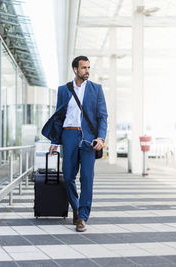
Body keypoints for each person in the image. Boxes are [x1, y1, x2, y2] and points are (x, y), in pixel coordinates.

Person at [41, 56, 108, 232]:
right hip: (68, 134)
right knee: (68, 176)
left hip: (88, 139)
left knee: (87, 178)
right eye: (83, 68)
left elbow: (102, 116)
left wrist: (101, 137)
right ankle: (77, 207)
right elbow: (59, 116)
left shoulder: (96, 89)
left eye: (88, 67)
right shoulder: (63, 90)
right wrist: (55, 141)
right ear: (75, 69)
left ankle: (82, 217)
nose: (87, 71)